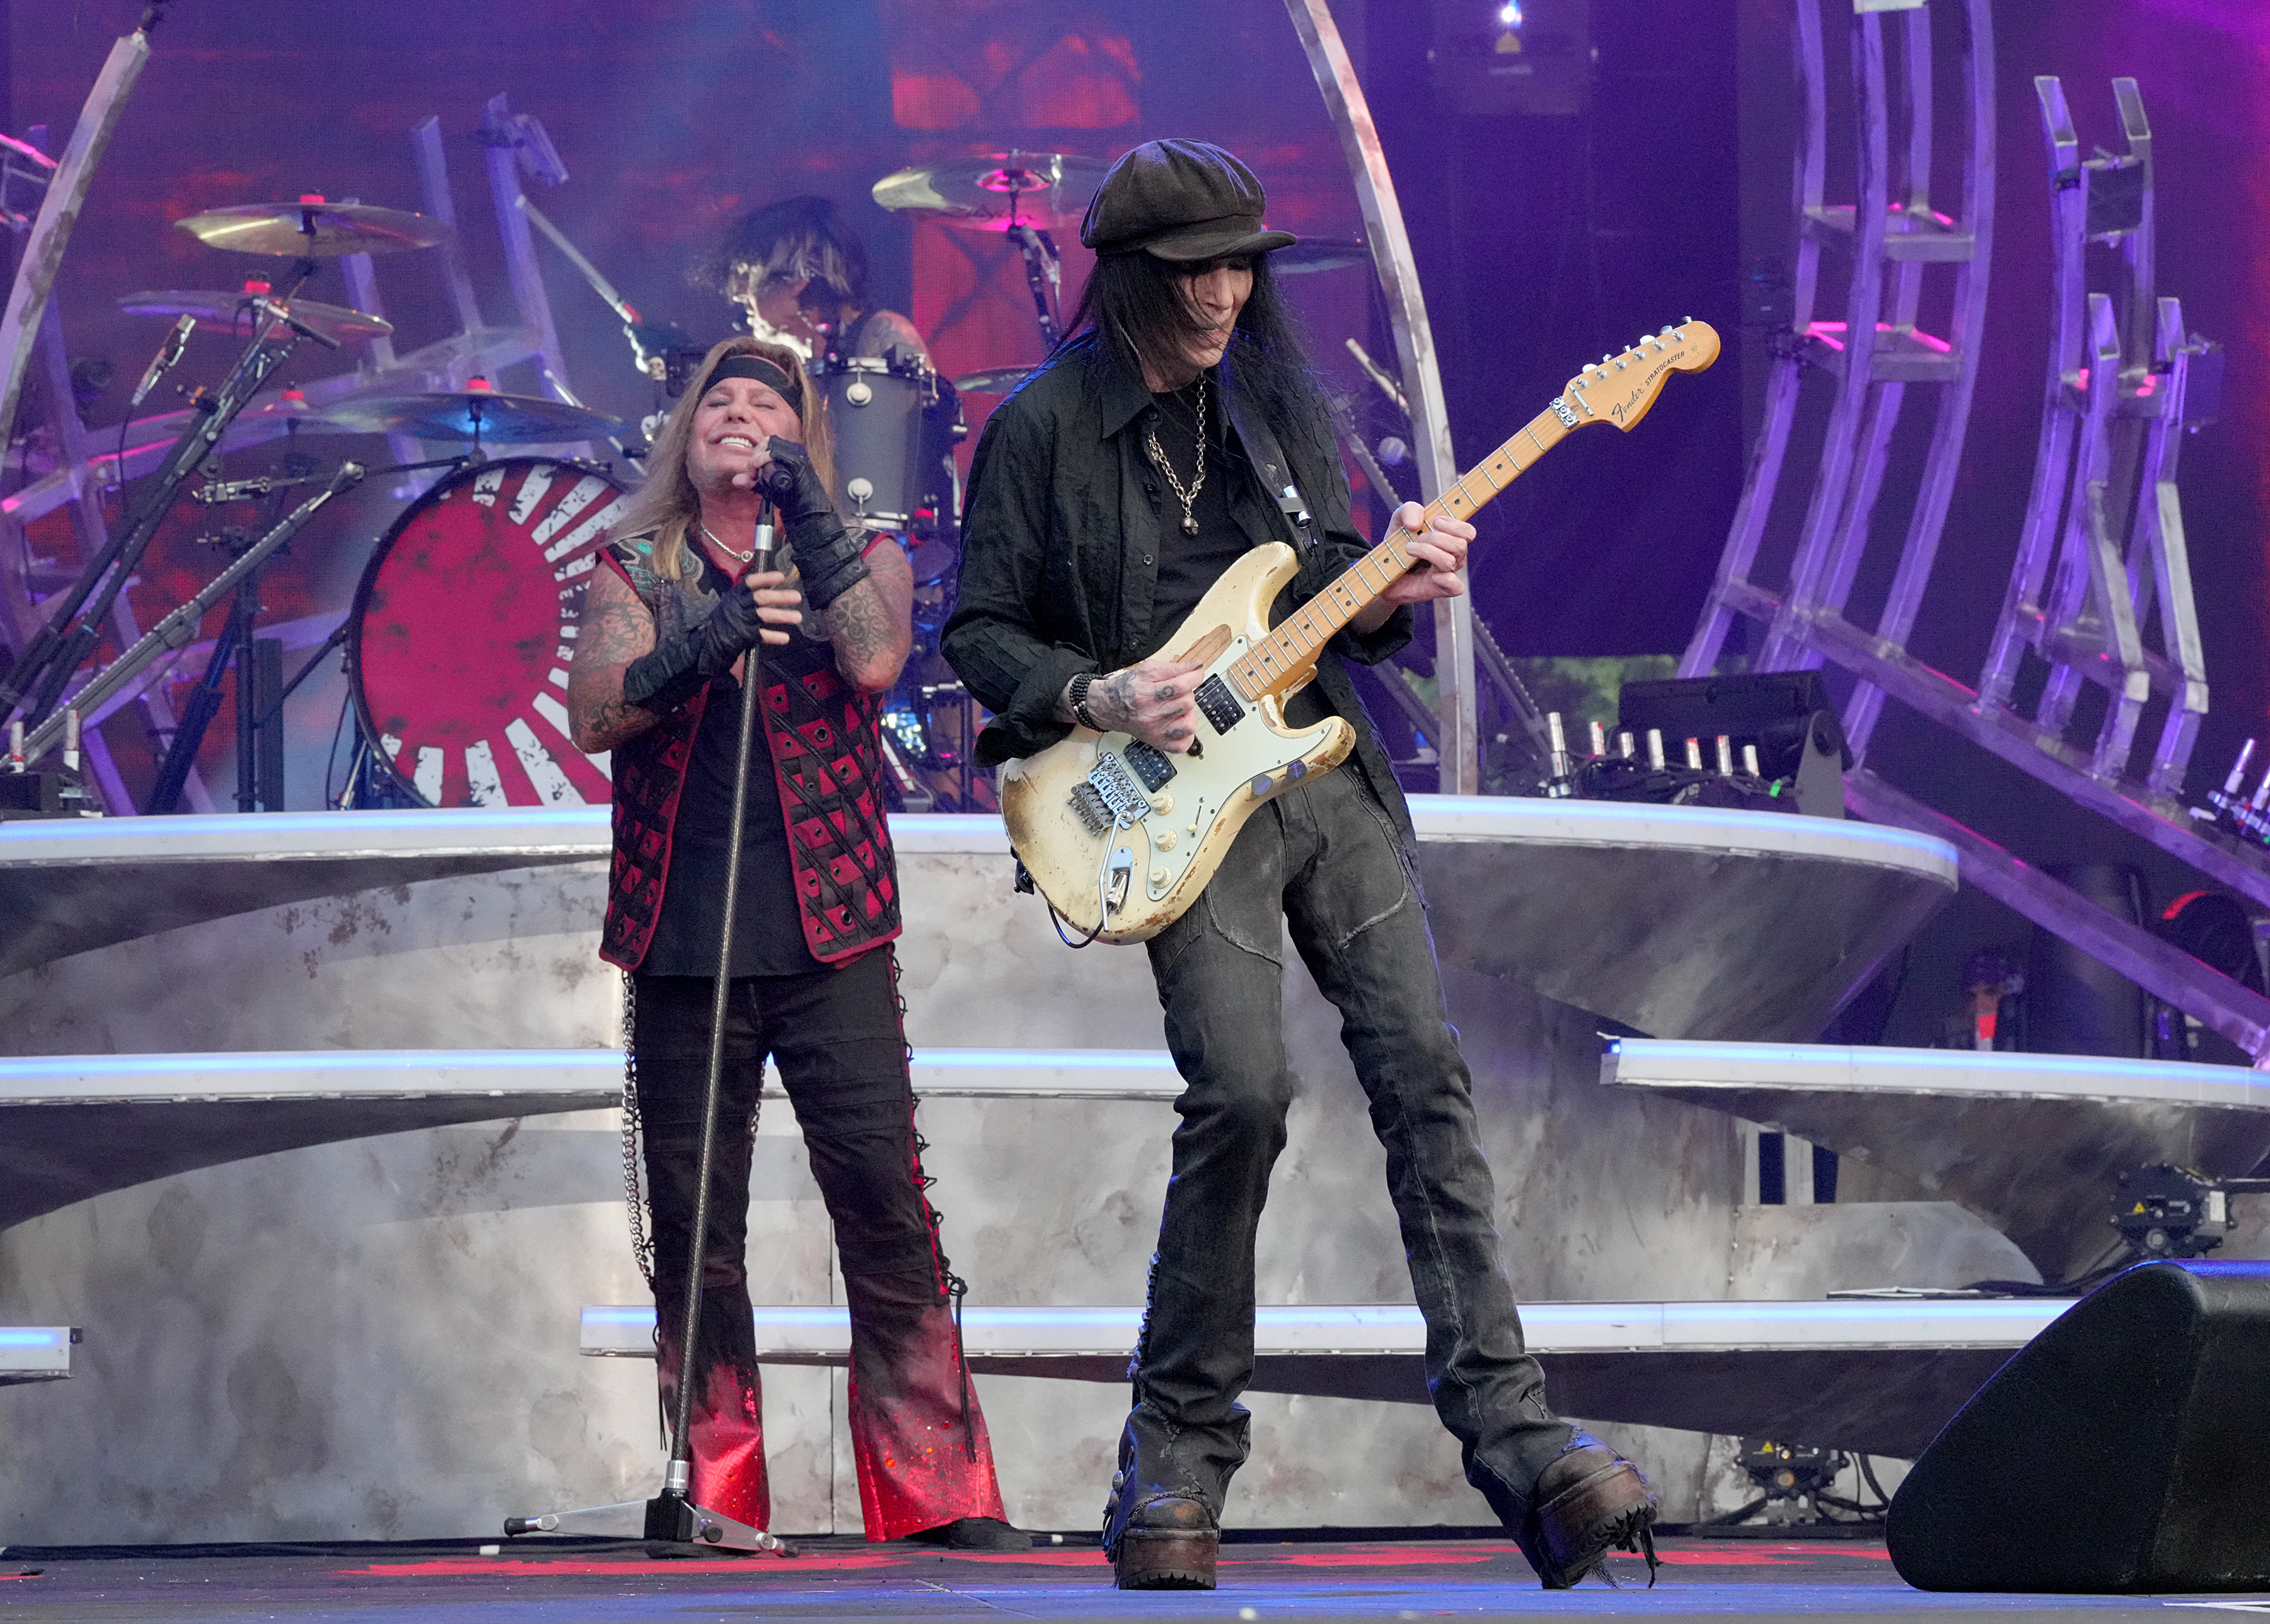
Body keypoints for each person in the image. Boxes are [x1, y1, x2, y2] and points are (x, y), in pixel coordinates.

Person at [942, 140, 1661, 1591]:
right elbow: (980, 630)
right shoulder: (1041, 430)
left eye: (1237, 267)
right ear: (1131, 277)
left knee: (1424, 1072)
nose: (1221, 295)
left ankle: (1521, 1445)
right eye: (1192, 271)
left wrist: (1396, 587)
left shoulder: (1276, 407)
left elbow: (1330, 587)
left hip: (1319, 769)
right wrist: (1097, 692)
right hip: (1168, 801)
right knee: (1243, 1096)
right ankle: (1173, 1459)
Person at [568, 336, 1025, 1550]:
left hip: (832, 936)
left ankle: (935, 1493)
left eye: (764, 403)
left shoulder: (859, 557)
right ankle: (714, 1493)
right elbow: (597, 713)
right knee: (695, 1230)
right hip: (684, 937)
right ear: (683, 438)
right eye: (715, 401)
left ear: (801, 437)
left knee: (884, 1206)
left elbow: (872, 656)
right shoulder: (632, 565)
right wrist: (711, 634)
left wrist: (804, 504)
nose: (736, 412)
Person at [710, 195, 929, 366]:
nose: (738, 295)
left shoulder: (883, 333)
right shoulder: (774, 362)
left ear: (796, 281)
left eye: (748, 274)